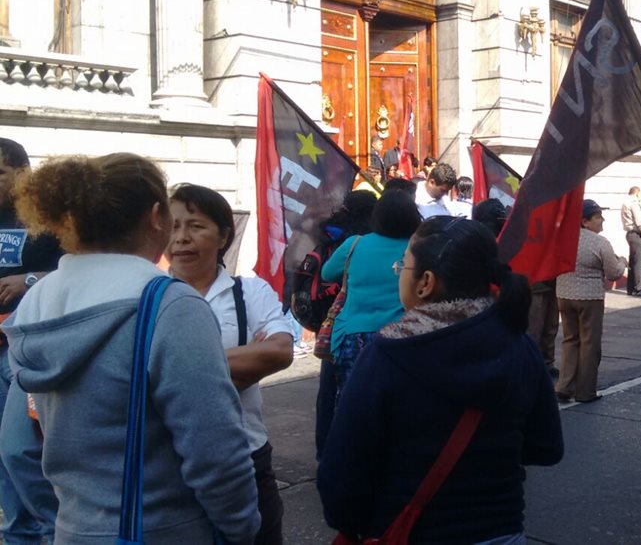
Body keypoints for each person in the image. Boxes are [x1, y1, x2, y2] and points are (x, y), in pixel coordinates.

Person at [4, 153, 259, 543]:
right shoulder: (169, 304)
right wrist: (242, 527)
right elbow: (215, 450)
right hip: (164, 530)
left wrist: (58, 521)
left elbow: (18, 448)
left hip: (72, 530)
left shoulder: (37, 299)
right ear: (157, 216)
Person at [318, 216, 563, 543]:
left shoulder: (387, 355)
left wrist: (355, 523)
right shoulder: (520, 346)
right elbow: (547, 447)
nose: (398, 273)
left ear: (425, 282)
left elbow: (341, 476)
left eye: (402, 266)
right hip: (501, 531)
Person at [167, 184, 295, 545]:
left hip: (246, 455)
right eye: (173, 226)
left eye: (195, 226)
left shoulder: (249, 292)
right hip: (169, 462)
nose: (181, 238)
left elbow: (280, 351)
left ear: (224, 236)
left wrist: (175, 369)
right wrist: (244, 361)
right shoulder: (148, 296)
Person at [0, 138, 60, 545]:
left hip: (28, 350)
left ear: (23, 173)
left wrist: (30, 280)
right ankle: (20, 534)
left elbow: (80, 268)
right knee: (4, 454)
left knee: (22, 448)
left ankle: (57, 529)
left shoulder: (48, 219)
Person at [292, 190, 378, 460]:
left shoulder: (331, 233)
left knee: (329, 390)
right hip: (359, 322)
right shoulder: (368, 240)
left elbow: (327, 272)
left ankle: (324, 452)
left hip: (330, 320)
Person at [321, 189, 422, 396]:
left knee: (354, 401)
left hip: (353, 336)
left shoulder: (355, 244)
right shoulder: (419, 248)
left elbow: (327, 273)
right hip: (405, 337)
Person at [555, 199, 626, 404]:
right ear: (585, 221)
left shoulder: (563, 239)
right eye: (597, 217)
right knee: (589, 343)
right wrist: (622, 261)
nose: (602, 220)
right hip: (590, 297)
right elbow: (614, 273)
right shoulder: (600, 242)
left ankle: (564, 386)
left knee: (570, 340)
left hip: (564, 294)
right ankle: (585, 391)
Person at [620, 186, 641, 296]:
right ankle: (638, 288)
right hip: (637, 234)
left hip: (630, 234)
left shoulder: (625, 202)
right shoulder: (634, 203)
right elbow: (639, 222)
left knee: (633, 261)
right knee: (638, 261)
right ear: (637, 193)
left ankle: (631, 288)